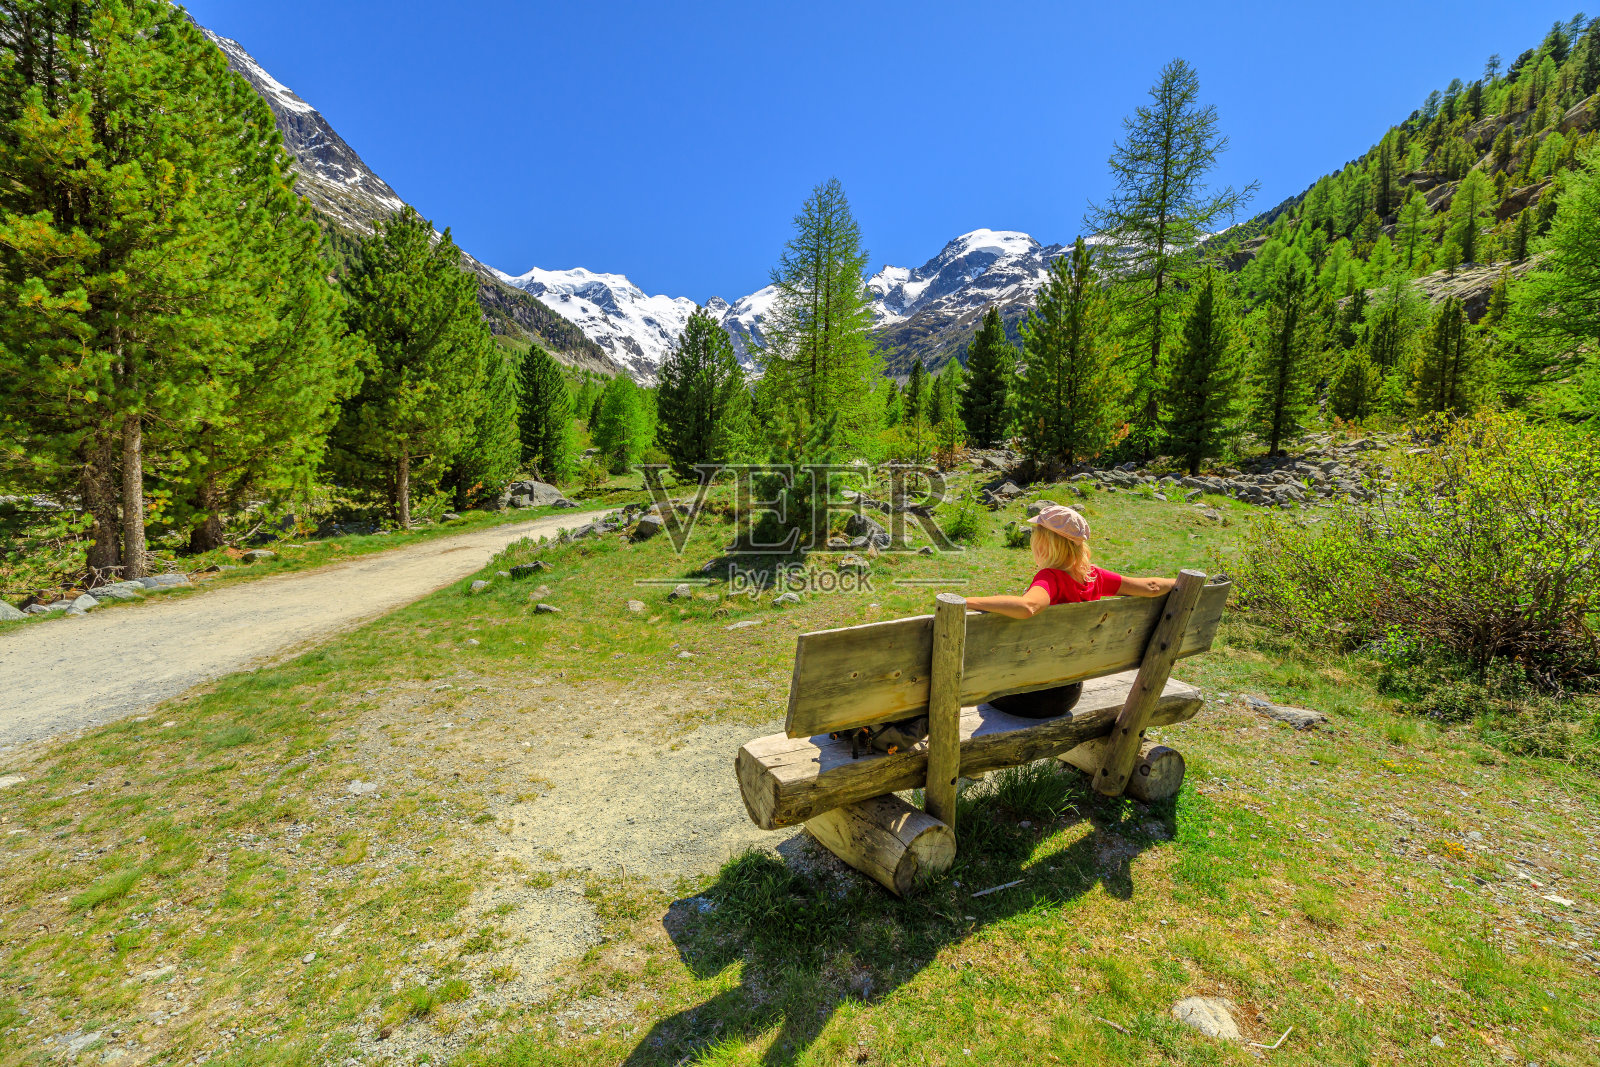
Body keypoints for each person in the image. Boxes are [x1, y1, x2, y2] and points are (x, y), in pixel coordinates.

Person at [962, 503, 1175, 719]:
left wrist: (965, 601)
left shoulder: (1051, 578)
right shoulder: (1095, 576)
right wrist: (1182, 582)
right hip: (1068, 695)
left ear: (1045, 543)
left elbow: (1029, 607)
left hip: (1027, 697)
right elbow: (1152, 587)